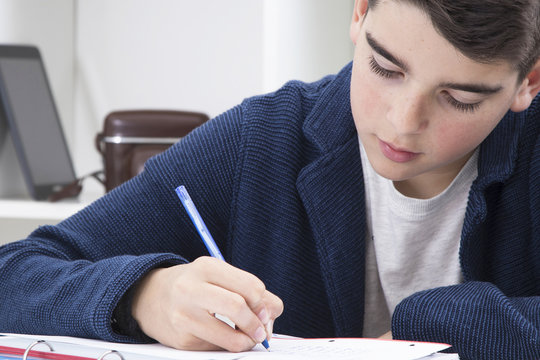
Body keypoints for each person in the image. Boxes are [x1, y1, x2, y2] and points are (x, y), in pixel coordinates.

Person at [0, 0, 539, 359]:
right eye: (384, 68)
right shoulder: (263, 139)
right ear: (359, 12)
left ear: (528, 82)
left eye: (460, 99)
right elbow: (13, 274)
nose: (402, 122)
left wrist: (455, 323)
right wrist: (143, 296)